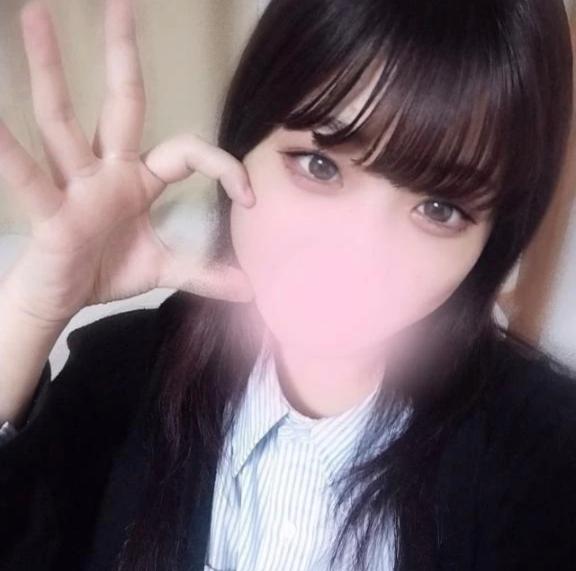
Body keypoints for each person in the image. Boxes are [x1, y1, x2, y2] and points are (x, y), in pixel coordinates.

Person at [1, 0, 575, 569]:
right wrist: (29, 313)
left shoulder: (548, 456)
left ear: (492, 242)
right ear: (241, 145)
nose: (357, 255)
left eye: (439, 209)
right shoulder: (121, 376)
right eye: (319, 165)